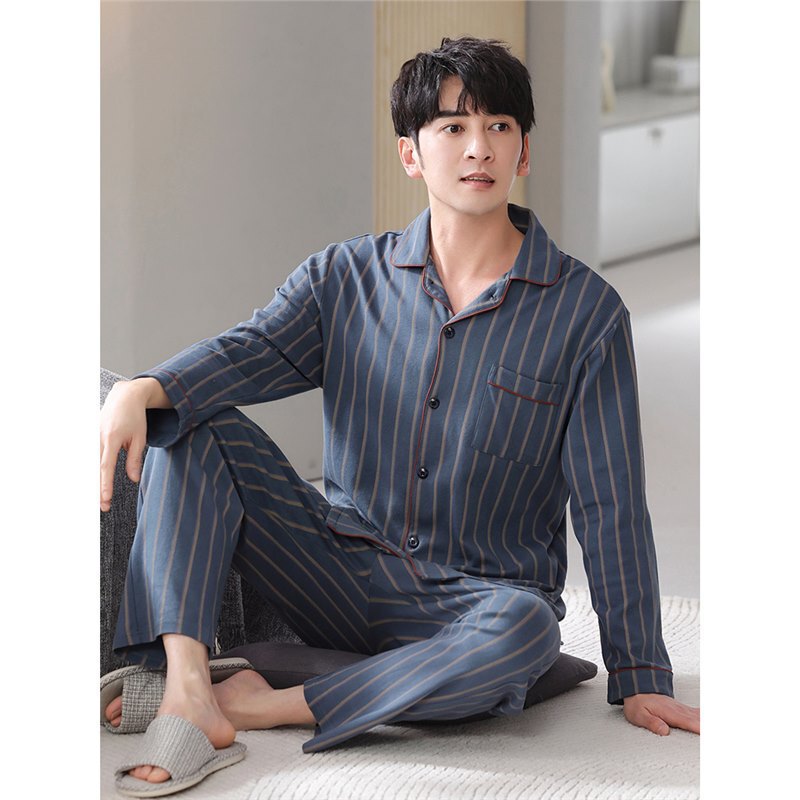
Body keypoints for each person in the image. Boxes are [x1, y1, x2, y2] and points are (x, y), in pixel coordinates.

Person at [100, 36, 700, 796]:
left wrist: (640, 672)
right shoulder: (343, 277)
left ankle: (260, 702)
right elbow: (249, 350)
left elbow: (611, 504)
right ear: (411, 154)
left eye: (500, 126)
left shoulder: (587, 315)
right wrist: (145, 388)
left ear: (523, 150)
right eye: (453, 127)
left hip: (474, 606)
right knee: (188, 417)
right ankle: (188, 686)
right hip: (336, 568)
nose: (479, 148)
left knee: (528, 630)